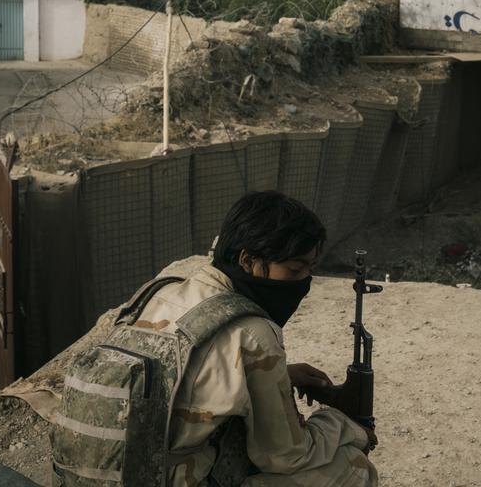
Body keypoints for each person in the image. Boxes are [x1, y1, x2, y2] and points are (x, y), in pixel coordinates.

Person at [135, 190, 378, 486]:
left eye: (310, 269)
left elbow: (178, 377)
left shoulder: (161, 293)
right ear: (248, 261)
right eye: (294, 269)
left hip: (129, 468)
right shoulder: (252, 333)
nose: (304, 281)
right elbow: (285, 456)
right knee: (352, 468)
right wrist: (347, 426)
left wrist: (281, 376)